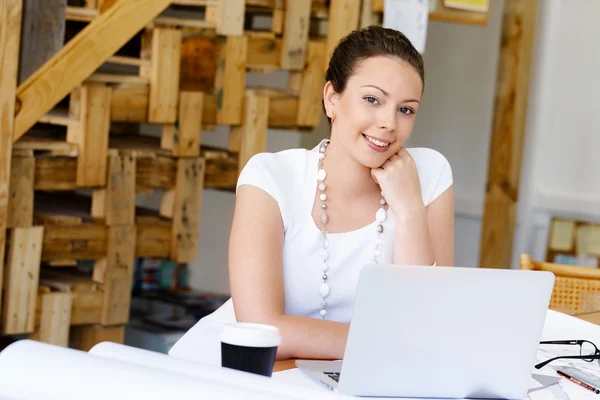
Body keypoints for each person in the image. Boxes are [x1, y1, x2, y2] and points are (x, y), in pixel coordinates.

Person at [169, 25, 454, 366]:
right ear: (332, 98)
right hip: (243, 370)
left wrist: (409, 210)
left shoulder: (429, 173)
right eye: (372, 100)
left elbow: (424, 325)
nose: (389, 123)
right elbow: (261, 328)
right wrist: (383, 342)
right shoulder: (271, 177)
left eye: (405, 109)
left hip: (348, 377)